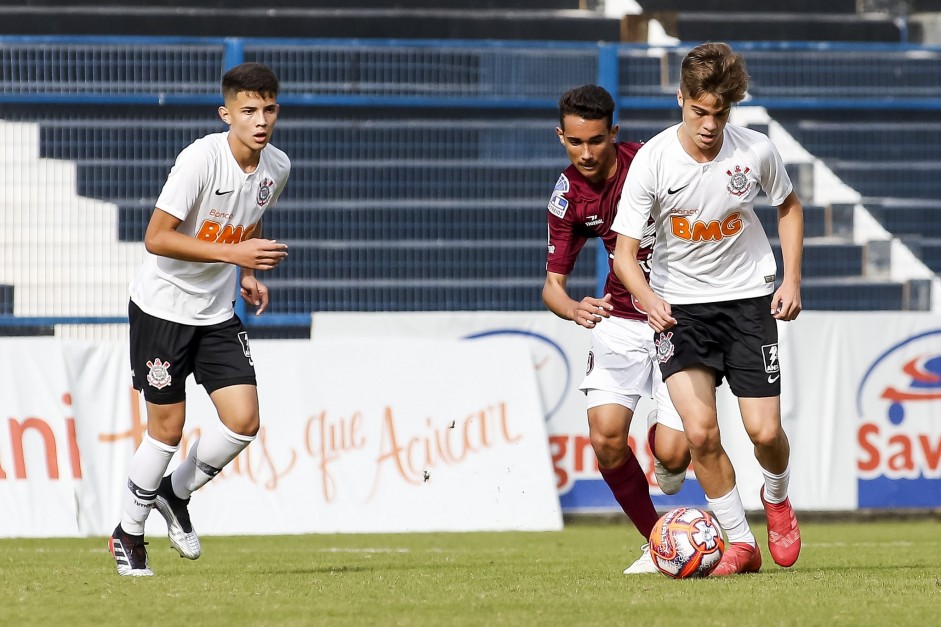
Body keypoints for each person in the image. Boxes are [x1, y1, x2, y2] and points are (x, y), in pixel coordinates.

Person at [612, 42, 803, 576]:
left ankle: (778, 496)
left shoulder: (755, 151)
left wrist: (791, 278)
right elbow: (626, 255)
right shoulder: (652, 160)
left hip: (747, 301)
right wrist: (648, 298)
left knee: (765, 433)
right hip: (682, 311)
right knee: (699, 434)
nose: (709, 124)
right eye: (699, 111)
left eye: (719, 113)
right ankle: (740, 545)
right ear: (681, 100)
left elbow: (788, 207)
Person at [108, 62, 291, 576]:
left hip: (215, 313)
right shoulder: (199, 160)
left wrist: (246, 270)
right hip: (163, 309)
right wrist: (236, 258)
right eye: (248, 110)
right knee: (166, 431)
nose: (260, 120)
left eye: (268, 109)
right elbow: (157, 238)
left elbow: (244, 222)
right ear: (226, 113)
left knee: (243, 422)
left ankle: (175, 491)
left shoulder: (277, 167)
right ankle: (129, 532)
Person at [544, 84, 691, 575]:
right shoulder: (567, 198)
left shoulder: (650, 163)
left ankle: (668, 449)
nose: (585, 153)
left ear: (615, 134)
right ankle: (658, 541)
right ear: (561, 136)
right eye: (575, 142)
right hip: (619, 322)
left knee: (672, 453)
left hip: (677, 315)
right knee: (606, 438)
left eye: (596, 141)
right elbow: (551, 287)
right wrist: (572, 309)